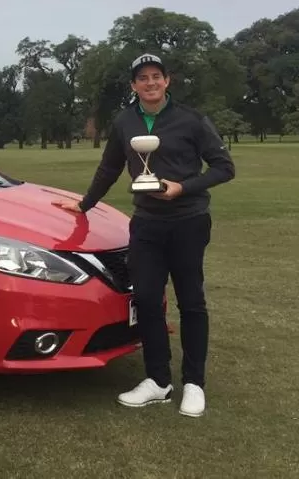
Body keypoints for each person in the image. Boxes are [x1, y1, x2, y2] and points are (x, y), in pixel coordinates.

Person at [53, 53, 234, 418]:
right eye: (142, 78)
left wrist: (183, 187)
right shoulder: (125, 121)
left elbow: (224, 167)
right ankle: (158, 381)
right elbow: (110, 167)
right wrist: (85, 204)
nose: (150, 83)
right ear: (134, 85)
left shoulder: (192, 119)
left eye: (156, 76)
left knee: (191, 302)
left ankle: (194, 383)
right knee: (148, 300)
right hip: (147, 222)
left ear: (168, 81)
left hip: (188, 220)